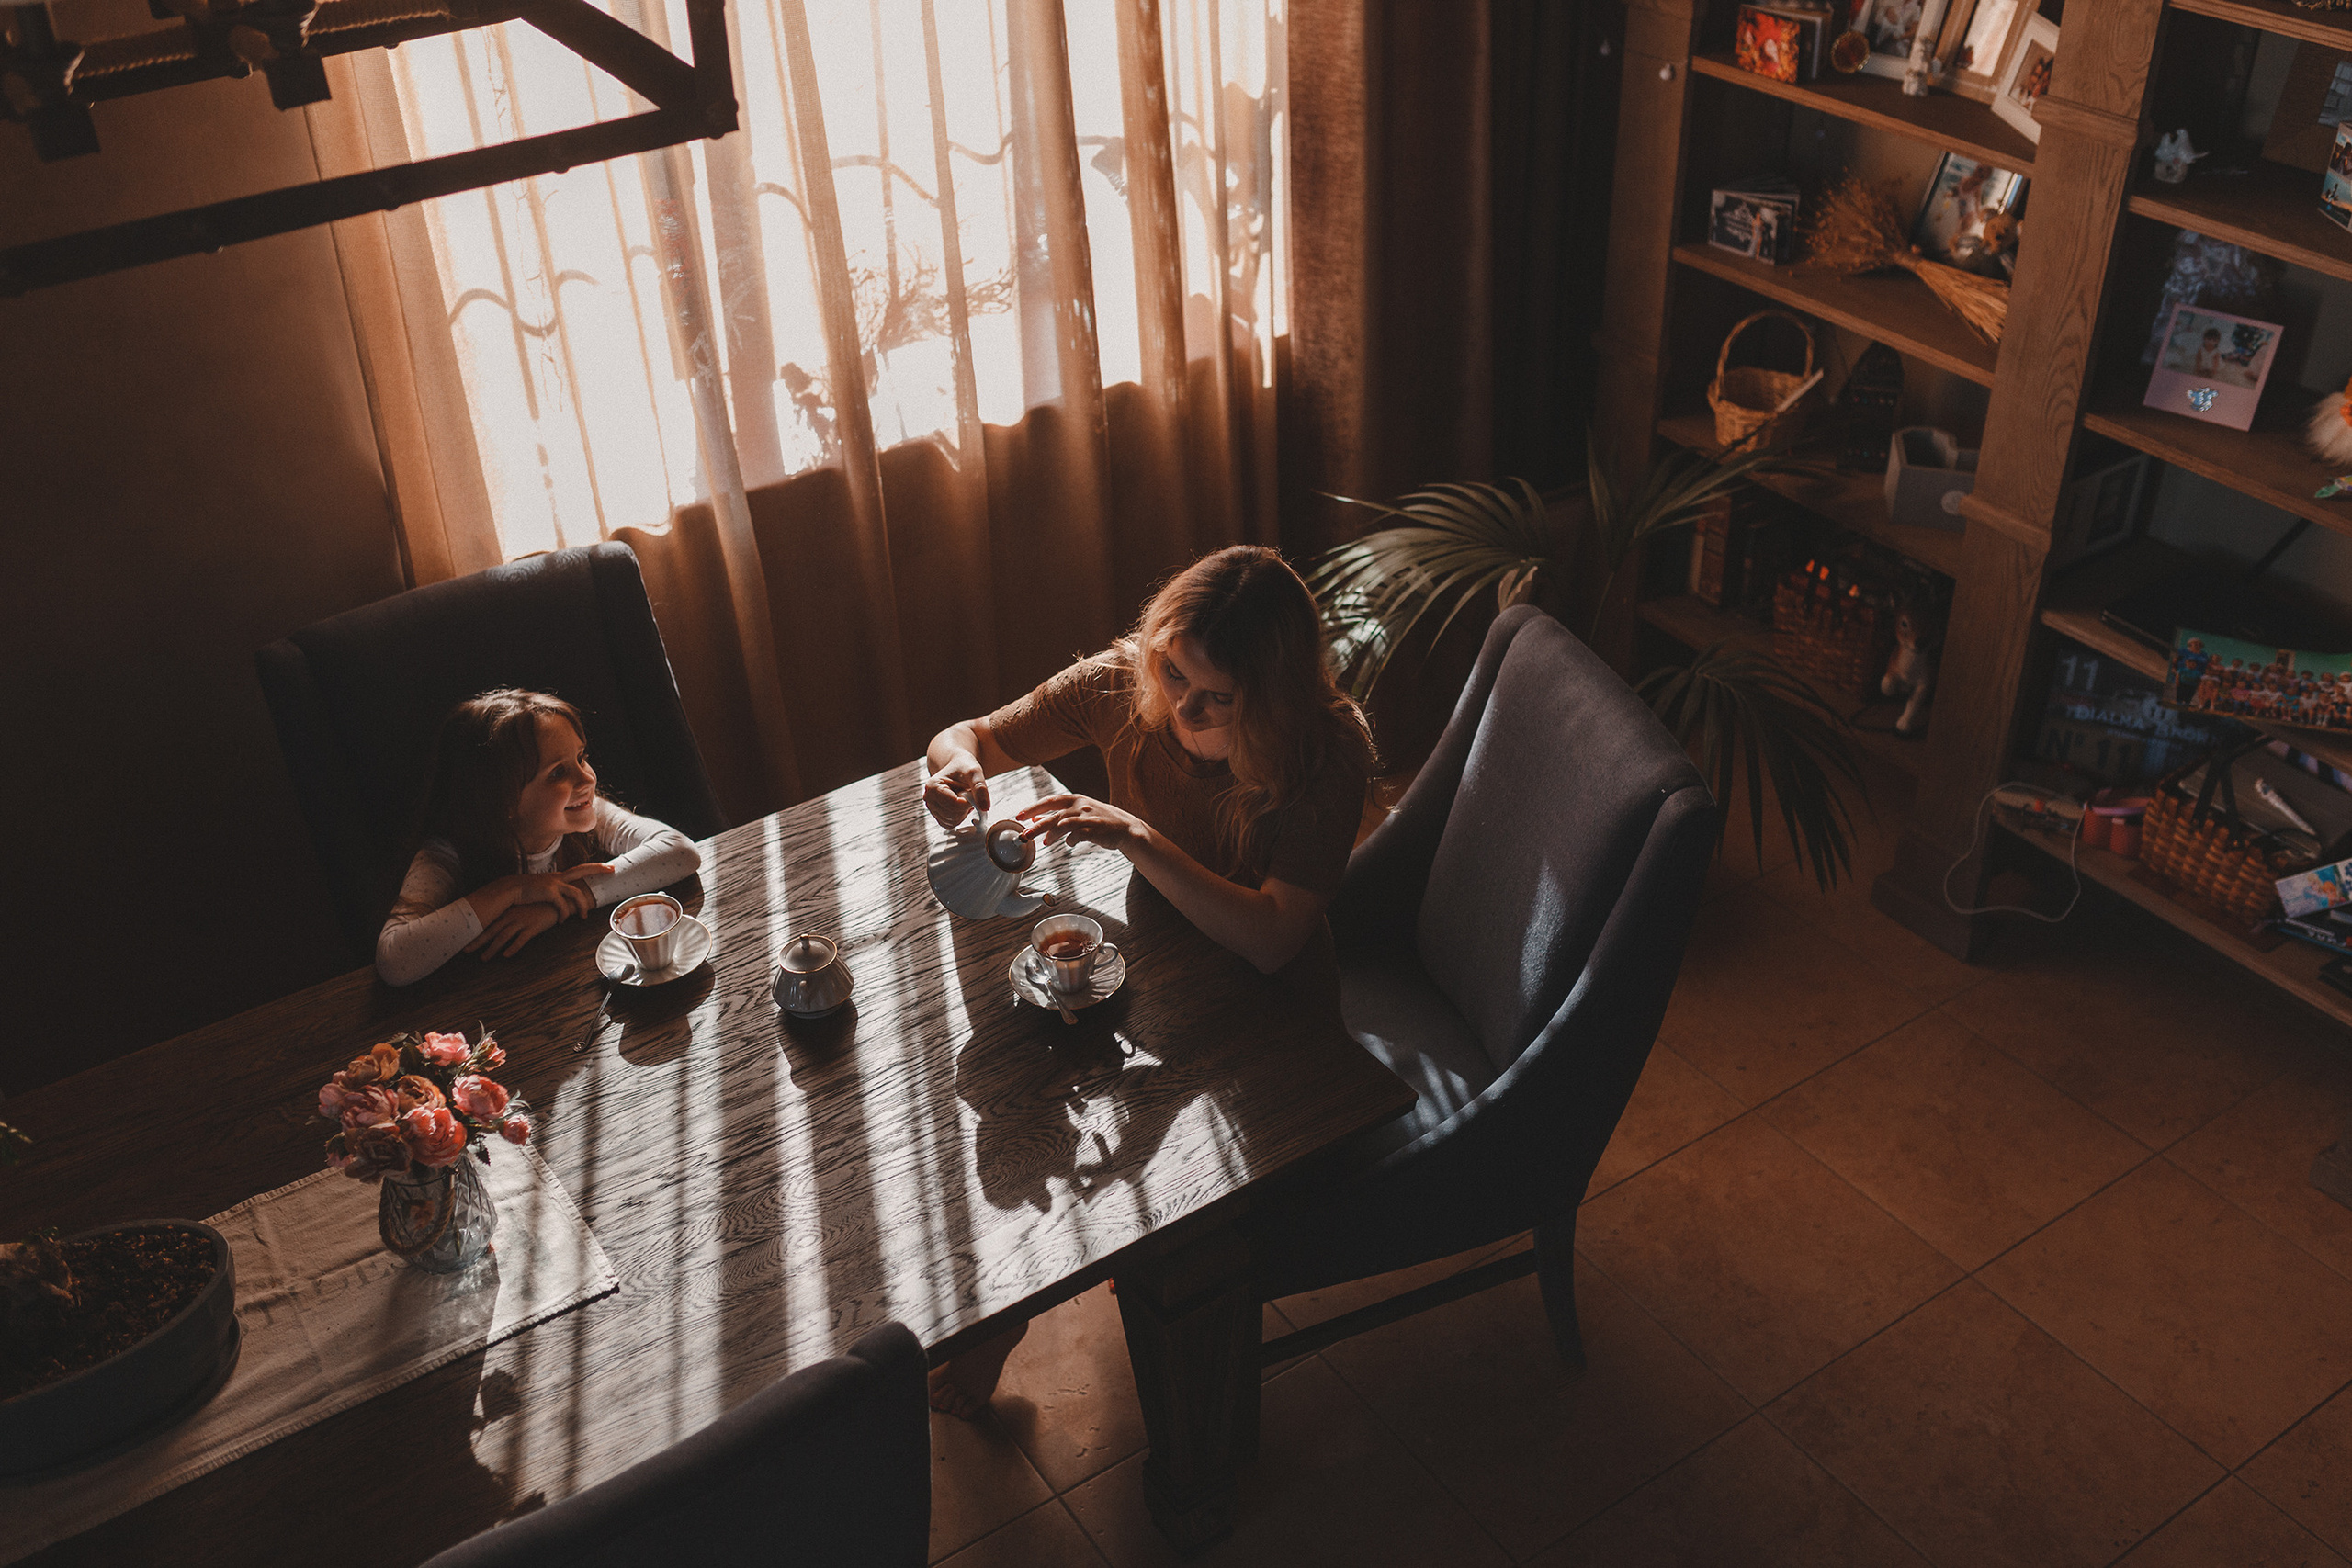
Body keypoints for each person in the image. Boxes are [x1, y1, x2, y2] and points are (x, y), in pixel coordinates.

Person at [917, 545, 1375, 1416]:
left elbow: (1275, 940)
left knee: (1148, 1198)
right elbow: (973, 732)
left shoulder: (1326, 749)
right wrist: (959, 767)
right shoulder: (1122, 684)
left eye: (1215, 699)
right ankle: (1002, 1315)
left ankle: (1183, 1433)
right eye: (1171, 672)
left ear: (1270, 700)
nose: (1177, 708)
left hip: (1272, 1019)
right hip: (1164, 971)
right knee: (1022, 1096)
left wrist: (1133, 836)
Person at [375, 689, 703, 986]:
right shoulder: (446, 855)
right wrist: (512, 889)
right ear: (502, 801)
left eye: (581, 757)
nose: (586, 778)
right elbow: (394, 960)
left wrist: (566, 901)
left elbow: (680, 852)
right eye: (558, 772)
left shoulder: (587, 809)